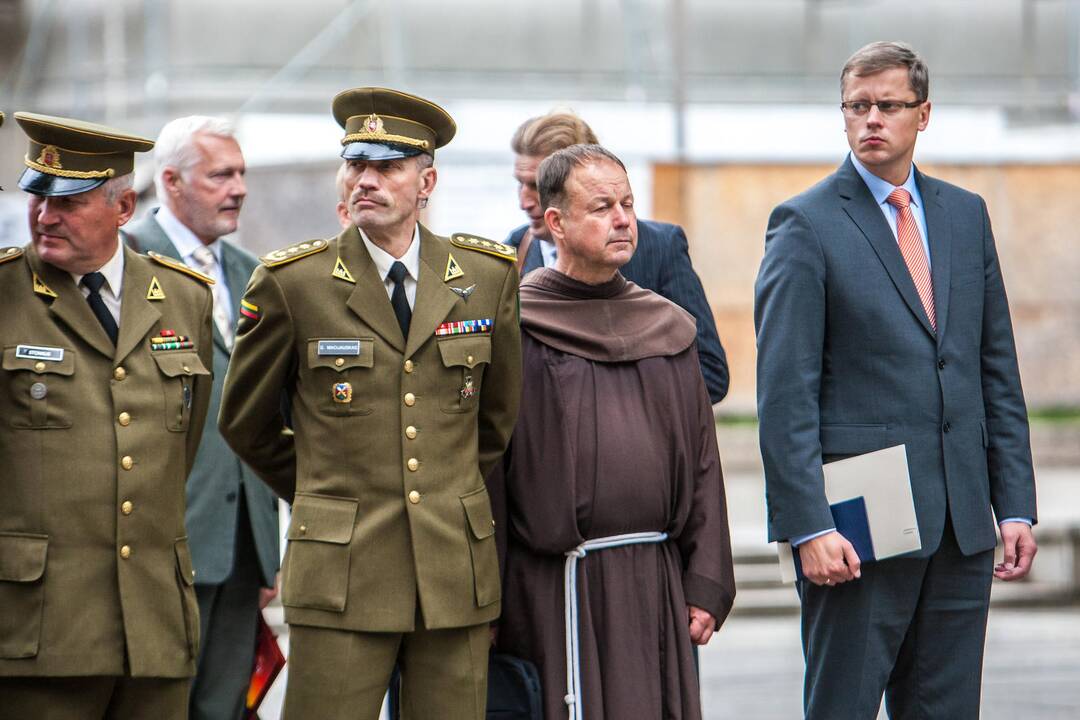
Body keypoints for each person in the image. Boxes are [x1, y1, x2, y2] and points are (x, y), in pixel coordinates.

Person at [219, 87, 522, 720]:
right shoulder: (292, 284)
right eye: (356, 165)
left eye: (387, 167)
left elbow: (493, 425)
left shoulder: (485, 278)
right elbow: (245, 422)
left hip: (451, 573)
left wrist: (445, 490)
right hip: (342, 573)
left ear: (426, 181)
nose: (366, 180)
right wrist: (326, 494)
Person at [755, 41, 1037, 719]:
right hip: (857, 525)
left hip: (961, 522)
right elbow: (784, 392)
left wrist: (1016, 502)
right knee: (844, 705)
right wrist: (807, 526)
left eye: (888, 105)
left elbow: (994, 366)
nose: (871, 119)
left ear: (924, 113)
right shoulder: (806, 222)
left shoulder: (963, 214)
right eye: (857, 106)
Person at [490, 144, 735, 720]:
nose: (624, 219)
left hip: (652, 581)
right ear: (556, 222)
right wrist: (490, 598)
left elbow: (702, 462)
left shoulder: (667, 326)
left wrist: (706, 578)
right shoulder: (516, 324)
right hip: (554, 586)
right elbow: (492, 470)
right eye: (602, 207)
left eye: (627, 203)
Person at [0, 112, 214, 719]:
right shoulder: (5, 293)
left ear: (123, 210)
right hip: (39, 630)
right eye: (37, 196)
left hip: (154, 628)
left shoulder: (183, 297)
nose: (45, 215)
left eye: (69, 202)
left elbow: (180, 448)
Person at [120, 115, 280, 720]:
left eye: (241, 174)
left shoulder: (251, 272)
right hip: (165, 539)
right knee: (158, 703)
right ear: (171, 182)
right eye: (221, 175)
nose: (238, 188)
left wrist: (270, 545)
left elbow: (267, 410)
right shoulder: (129, 261)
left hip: (242, 544)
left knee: (225, 704)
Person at [507, 111, 730, 403]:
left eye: (537, 186)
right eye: (520, 183)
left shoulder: (660, 248)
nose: (524, 201)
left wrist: (614, 412)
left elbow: (710, 374)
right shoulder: (513, 253)